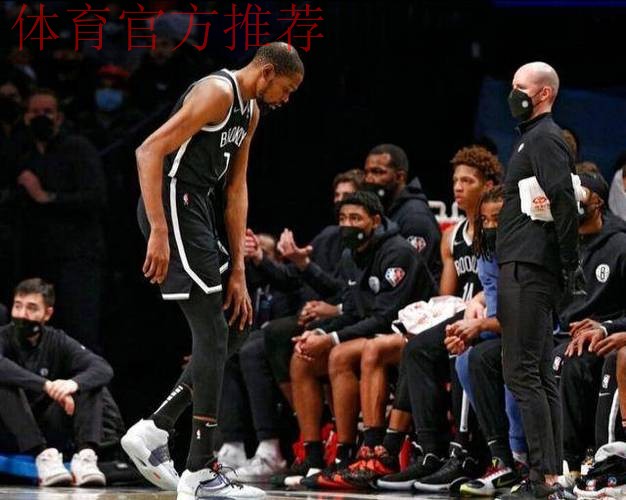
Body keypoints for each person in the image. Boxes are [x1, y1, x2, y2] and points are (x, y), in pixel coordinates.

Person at [120, 42, 304, 500]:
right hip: (173, 206)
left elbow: (236, 189)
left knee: (237, 324)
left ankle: (156, 426)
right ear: (267, 72)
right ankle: (199, 470)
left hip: (198, 210)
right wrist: (158, 229)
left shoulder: (251, 112)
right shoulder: (217, 92)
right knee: (213, 331)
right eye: (287, 88)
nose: (287, 98)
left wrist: (238, 269)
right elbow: (148, 151)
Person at [281, 191, 433, 484]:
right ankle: (314, 458)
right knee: (303, 357)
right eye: (343, 218)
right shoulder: (350, 255)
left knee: (341, 353)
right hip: (375, 332)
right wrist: (319, 332)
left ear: (375, 221)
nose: (348, 225)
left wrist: (332, 339)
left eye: (355, 218)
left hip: (411, 332)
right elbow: (353, 310)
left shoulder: (397, 252)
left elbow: (386, 318)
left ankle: (358, 452)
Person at [496, 61, 582, 499]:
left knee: (522, 373)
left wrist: (569, 263)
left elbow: (564, 200)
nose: (513, 94)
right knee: (539, 376)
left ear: (544, 93)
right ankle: (548, 475)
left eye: (520, 86)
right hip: (524, 266)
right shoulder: (530, 137)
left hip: (529, 270)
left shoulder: (545, 138)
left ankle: (543, 479)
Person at [11, 89, 107, 352]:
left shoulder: (78, 148)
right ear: (25, 117)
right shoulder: (24, 154)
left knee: (79, 332)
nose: (41, 117)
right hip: (38, 258)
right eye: (35, 112)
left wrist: (46, 197)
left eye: (47, 112)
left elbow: (96, 197)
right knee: (38, 336)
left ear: (60, 117)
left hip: (76, 258)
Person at [0, 278, 113, 487]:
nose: (22, 314)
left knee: (89, 383)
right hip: (10, 429)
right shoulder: (3, 337)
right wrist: (47, 385)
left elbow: (102, 368)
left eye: (31, 308)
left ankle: (86, 457)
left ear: (47, 314)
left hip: (48, 426)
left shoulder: (57, 340)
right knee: (4, 382)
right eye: (18, 306)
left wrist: (72, 385)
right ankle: (41, 455)